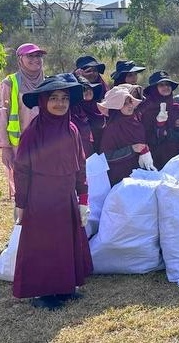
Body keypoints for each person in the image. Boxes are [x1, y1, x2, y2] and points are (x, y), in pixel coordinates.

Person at [12, 73, 93, 310]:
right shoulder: (33, 133)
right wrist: (21, 203)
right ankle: (43, 292)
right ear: (43, 101)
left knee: (65, 243)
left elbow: (81, 164)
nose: (60, 103)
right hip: (41, 199)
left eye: (65, 98)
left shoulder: (72, 130)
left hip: (66, 196)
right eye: (54, 98)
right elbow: (22, 169)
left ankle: (64, 287)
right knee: (44, 244)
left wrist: (83, 198)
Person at [1, 43, 46, 201]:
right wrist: (5, 147)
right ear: (20, 59)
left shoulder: (47, 82)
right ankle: (22, 224)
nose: (36, 59)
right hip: (19, 146)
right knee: (23, 190)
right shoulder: (10, 83)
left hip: (45, 143)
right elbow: (3, 115)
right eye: (30, 56)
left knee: (44, 186)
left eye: (38, 56)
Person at [136, 71, 179, 170]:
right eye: (161, 85)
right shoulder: (145, 110)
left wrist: (169, 134)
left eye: (167, 84)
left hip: (178, 160)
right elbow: (143, 137)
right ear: (154, 88)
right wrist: (159, 128)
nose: (166, 87)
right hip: (154, 160)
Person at [99, 85, 153, 186]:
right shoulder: (112, 127)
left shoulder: (137, 121)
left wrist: (145, 149)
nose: (130, 105)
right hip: (121, 178)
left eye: (131, 101)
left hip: (139, 173)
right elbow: (106, 156)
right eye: (125, 103)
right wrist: (131, 149)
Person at [70, 77, 104, 158]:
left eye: (90, 88)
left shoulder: (98, 107)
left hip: (104, 152)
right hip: (87, 155)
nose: (88, 91)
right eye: (84, 89)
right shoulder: (75, 112)